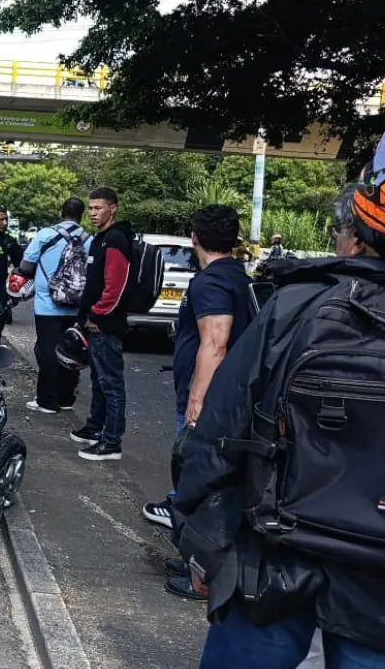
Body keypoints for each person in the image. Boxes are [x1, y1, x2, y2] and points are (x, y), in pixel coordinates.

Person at [174, 128, 385, 667]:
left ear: (357, 238)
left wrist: (199, 539)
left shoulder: (299, 305)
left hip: (275, 555)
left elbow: (221, 432)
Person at [138, 205, 254, 601]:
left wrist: (196, 403)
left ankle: (203, 575)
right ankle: (194, 560)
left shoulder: (211, 282)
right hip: (231, 400)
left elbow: (216, 342)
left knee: (201, 486)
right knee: (203, 484)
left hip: (215, 404)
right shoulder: (235, 276)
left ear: (194, 238)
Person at [70, 187, 133, 461]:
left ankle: (111, 442)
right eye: (91, 208)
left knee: (111, 384)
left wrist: (96, 315)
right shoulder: (101, 239)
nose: (93, 213)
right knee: (98, 380)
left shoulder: (116, 240)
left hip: (106, 325)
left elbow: (115, 287)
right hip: (95, 324)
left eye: (99, 208)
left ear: (113, 208)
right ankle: (95, 428)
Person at [18, 197, 90, 414]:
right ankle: (66, 398)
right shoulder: (89, 239)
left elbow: (25, 265)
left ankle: (47, 401)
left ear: (62, 213)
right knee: (72, 348)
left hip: (47, 305)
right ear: (82, 215)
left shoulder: (45, 235)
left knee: (47, 351)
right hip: (77, 305)